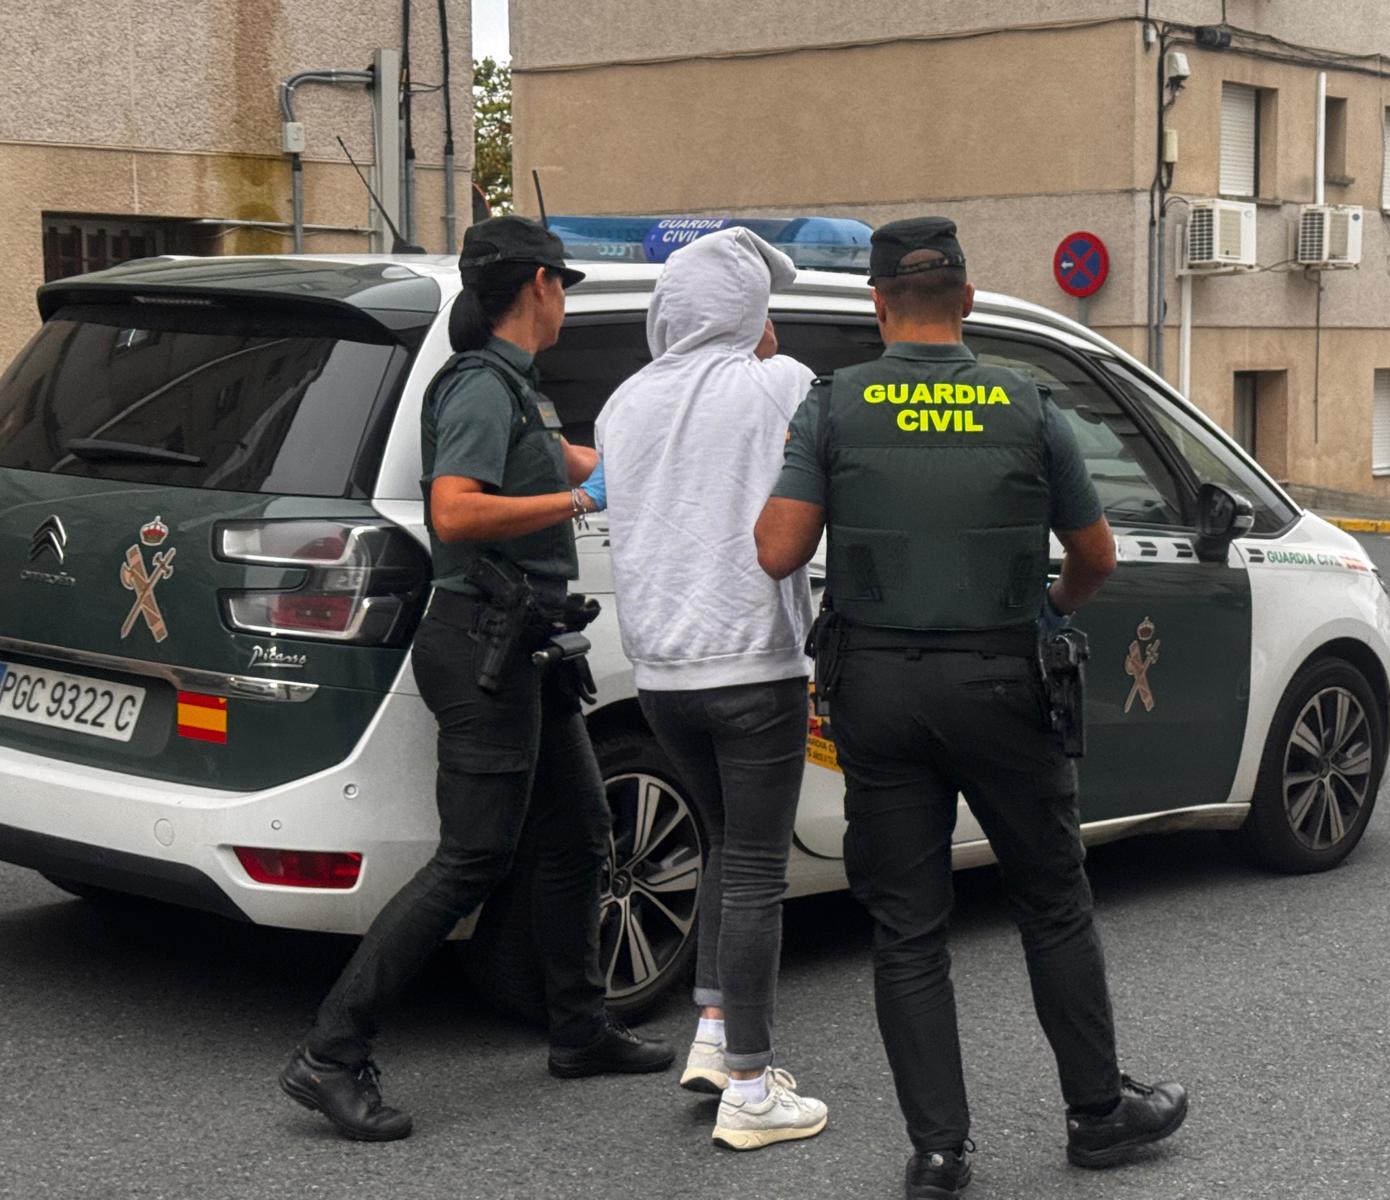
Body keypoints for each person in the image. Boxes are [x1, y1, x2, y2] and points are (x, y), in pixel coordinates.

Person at [753, 218, 1187, 1198]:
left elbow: (776, 551)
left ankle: (939, 1153)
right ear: (970, 297)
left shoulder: (834, 404)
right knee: (1051, 900)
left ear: (876, 305)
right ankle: (1096, 1115)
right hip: (1003, 682)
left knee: (907, 926)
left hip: (877, 687)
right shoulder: (1028, 405)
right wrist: (1049, 607)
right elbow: (1098, 558)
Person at [278, 215, 672, 1142]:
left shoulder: (521, 394)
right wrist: (582, 499)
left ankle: (578, 1028)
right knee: (474, 859)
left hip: (529, 645)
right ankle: (330, 1052)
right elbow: (456, 512)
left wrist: (649, 460)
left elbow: (586, 461)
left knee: (581, 833)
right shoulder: (479, 388)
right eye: (563, 284)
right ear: (536, 285)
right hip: (480, 644)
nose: (567, 298)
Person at [587, 227, 827, 1151]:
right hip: (755, 663)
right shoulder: (780, 382)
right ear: (749, 315)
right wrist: (761, 346)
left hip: (660, 674)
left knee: (727, 843)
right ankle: (754, 1090)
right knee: (760, 867)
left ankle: (715, 1031)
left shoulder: (623, 402)